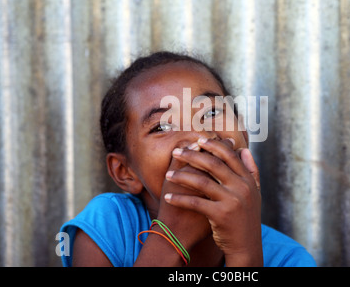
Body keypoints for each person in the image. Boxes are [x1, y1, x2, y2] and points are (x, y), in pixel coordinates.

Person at [59, 51, 316, 267]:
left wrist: (243, 251)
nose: (199, 134)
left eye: (212, 111)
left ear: (243, 133)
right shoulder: (108, 227)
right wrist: (172, 236)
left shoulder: (289, 259)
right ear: (125, 172)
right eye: (162, 127)